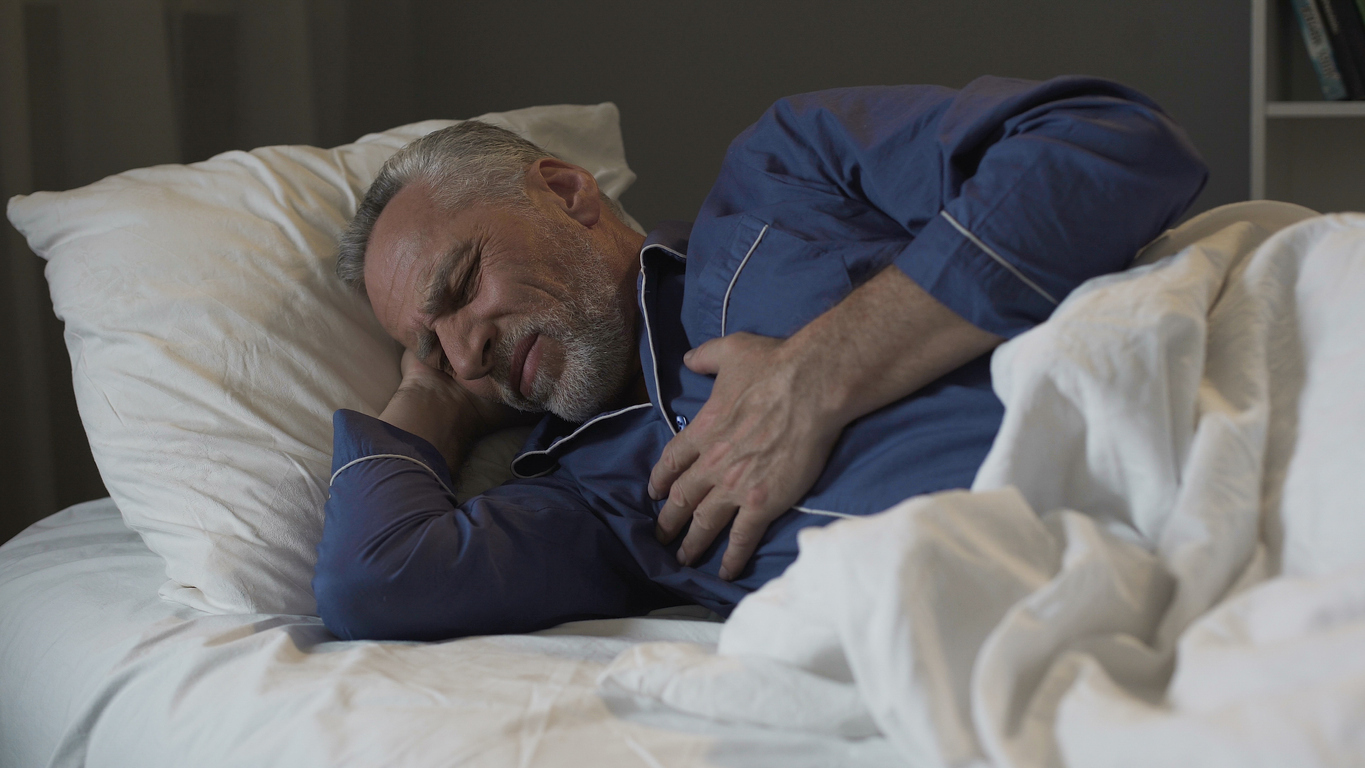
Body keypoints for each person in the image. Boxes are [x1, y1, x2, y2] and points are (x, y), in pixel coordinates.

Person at [313, 75, 1208, 641]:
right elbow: (376, 584)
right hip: (1070, 620)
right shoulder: (593, 502)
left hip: (1193, 460)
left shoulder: (785, 174)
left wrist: (816, 374)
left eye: (463, 283)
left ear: (565, 191)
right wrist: (427, 402)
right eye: (430, 347)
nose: (466, 350)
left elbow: (1113, 142)